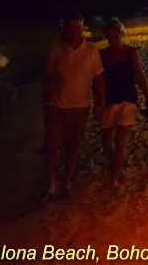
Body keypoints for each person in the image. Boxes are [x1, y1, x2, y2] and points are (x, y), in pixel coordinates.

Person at [42, 14, 105, 202]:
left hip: (79, 107)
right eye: (71, 28)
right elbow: (47, 79)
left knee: (73, 146)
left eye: (78, 28)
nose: (74, 32)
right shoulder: (56, 51)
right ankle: (51, 184)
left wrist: (100, 103)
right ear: (65, 30)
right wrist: (43, 103)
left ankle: (67, 182)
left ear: (82, 29)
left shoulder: (91, 51)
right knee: (52, 146)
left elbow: (99, 79)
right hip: (55, 105)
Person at [98, 17, 148, 186]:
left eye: (116, 37)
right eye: (110, 38)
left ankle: (113, 177)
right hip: (109, 100)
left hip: (128, 100)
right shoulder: (102, 55)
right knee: (105, 140)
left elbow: (139, 76)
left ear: (121, 35)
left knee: (120, 141)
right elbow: (98, 82)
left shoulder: (131, 52)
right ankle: (116, 163)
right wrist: (99, 103)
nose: (113, 41)